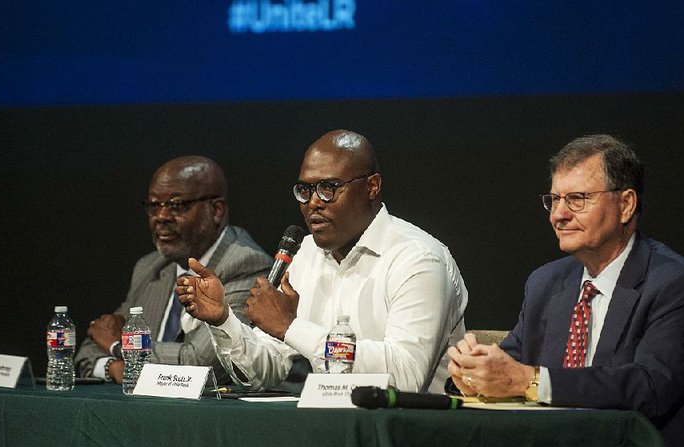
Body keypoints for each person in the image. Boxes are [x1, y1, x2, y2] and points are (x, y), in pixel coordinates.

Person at [448, 134, 684, 447]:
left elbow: (648, 387)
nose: (558, 214)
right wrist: (474, 371)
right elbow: (513, 361)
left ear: (625, 204)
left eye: (577, 199)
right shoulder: (546, 284)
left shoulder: (676, 284)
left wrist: (529, 381)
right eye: (553, 200)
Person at [176, 129, 467, 393]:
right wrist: (223, 320)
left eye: (329, 187)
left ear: (372, 187)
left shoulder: (418, 259)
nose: (314, 202)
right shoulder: (307, 254)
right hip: (331, 425)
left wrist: (292, 327)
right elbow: (264, 371)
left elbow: (406, 376)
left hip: (410, 435)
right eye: (305, 190)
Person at [75, 156, 272, 384]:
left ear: (216, 210)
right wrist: (115, 368)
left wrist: (119, 345)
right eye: (153, 205)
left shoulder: (246, 264)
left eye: (176, 205)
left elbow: (201, 364)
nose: (161, 217)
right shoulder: (151, 267)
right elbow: (90, 346)